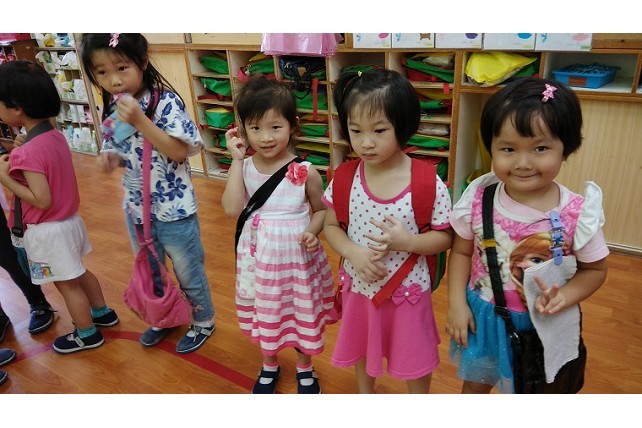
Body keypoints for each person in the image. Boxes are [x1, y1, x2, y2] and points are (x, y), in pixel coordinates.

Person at [445, 77, 609, 394]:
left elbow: (595, 270)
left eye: (540, 148)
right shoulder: (478, 198)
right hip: (485, 316)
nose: (523, 163)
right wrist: (455, 304)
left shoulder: (577, 214)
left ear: (565, 149)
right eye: (508, 149)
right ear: (491, 148)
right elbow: (462, 252)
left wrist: (567, 295)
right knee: (475, 386)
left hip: (543, 325)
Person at [80, 33, 215, 354]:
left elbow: (179, 152)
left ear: (142, 62)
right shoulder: (114, 106)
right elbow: (116, 150)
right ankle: (164, 316)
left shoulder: (164, 102)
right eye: (102, 72)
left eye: (121, 68)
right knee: (151, 268)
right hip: (137, 209)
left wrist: (141, 120)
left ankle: (203, 321)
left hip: (175, 209)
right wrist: (109, 160)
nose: (114, 80)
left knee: (188, 271)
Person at [321, 68, 453, 393]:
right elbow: (330, 225)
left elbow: (445, 238)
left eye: (380, 130)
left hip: (408, 291)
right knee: (362, 346)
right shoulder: (345, 177)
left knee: (415, 355)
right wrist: (352, 252)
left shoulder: (427, 182)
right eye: (356, 130)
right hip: (360, 286)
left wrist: (407, 241)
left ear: (402, 125)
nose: (366, 142)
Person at [221, 76, 334, 394]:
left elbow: (322, 210)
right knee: (267, 311)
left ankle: (305, 367)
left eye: (275, 127)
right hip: (259, 260)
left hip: (297, 260)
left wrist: (312, 231)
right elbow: (231, 209)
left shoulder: (306, 171)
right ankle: (269, 364)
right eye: (255, 128)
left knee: (300, 310)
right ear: (243, 130)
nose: (265, 137)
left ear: (293, 125)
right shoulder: (244, 168)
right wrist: (236, 160)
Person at [0, 60, 119, 354]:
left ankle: (86, 334)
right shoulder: (53, 135)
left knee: (67, 284)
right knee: (79, 271)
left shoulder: (27, 152)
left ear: (17, 108)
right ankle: (102, 312)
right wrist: (22, 148)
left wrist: (5, 177)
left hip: (47, 231)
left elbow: (41, 199)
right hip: (69, 222)